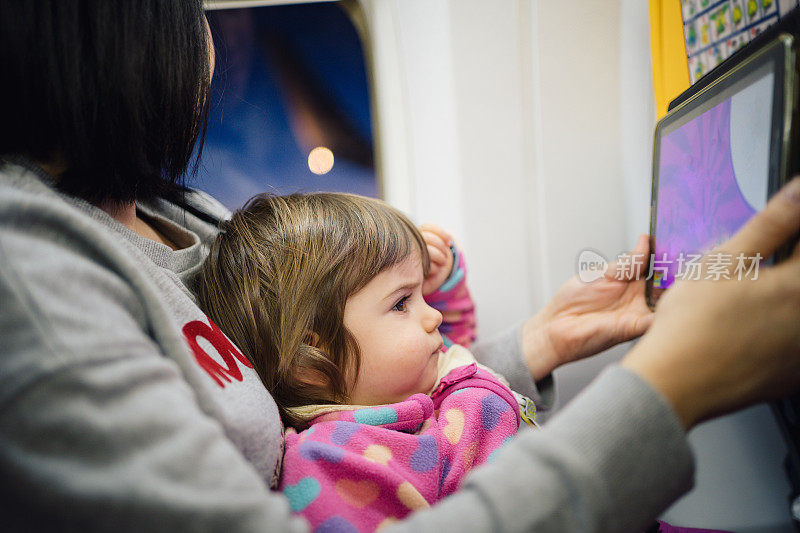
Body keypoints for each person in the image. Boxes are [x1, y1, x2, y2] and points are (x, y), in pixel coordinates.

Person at [2, 1, 800, 531]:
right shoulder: (30, 276)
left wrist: (544, 341)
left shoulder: (171, 210)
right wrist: (667, 390)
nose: (209, 39)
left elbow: (377, 397)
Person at [197, 192, 532, 531]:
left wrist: (446, 283)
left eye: (424, 297)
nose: (434, 316)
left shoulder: (414, 378)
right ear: (311, 362)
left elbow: (456, 342)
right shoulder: (334, 461)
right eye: (402, 303)